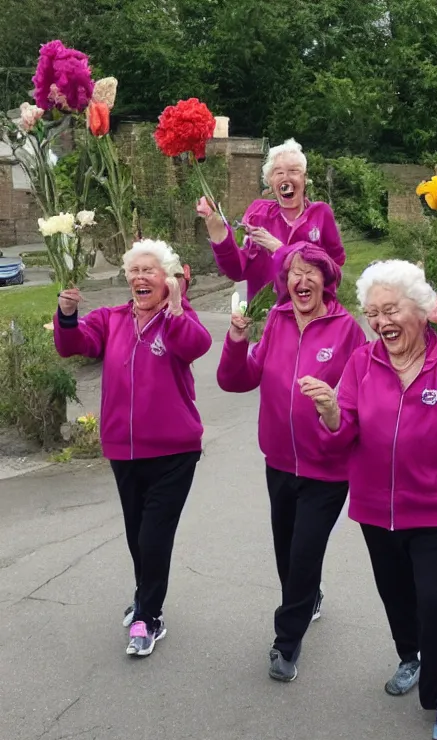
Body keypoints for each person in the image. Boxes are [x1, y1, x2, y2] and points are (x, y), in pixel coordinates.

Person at [309, 260, 437, 740]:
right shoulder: (360, 363)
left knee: (435, 603)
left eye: (390, 309)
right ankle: (410, 655)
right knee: (398, 597)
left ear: (420, 310)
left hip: (435, 507)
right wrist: (330, 413)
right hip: (375, 508)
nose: (381, 321)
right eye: (372, 313)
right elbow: (342, 434)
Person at [216, 242, 367, 683]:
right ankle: (307, 596)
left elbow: (362, 392)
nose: (301, 280)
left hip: (327, 467)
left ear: (326, 279)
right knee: (287, 554)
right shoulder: (277, 321)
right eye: (293, 273)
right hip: (279, 462)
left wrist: (335, 409)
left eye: (310, 272)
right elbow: (236, 380)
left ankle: (287, 644)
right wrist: (237, 339)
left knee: (303, 555)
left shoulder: (347, 329)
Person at [53, 240, 212, 657]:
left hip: (174, 452)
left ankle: (149, 617)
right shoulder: (112, 319)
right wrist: (67, 315)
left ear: (168, 280)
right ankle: (145, 598)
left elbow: (196, 346)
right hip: (123, 451)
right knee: (137, 534)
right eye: (134, 271)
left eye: (150, 271)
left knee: (155, 536)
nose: (140, 278)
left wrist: (177, 308)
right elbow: (73, 345)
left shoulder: (180, 318)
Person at [197, 138, 346, 300]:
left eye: (294, 171)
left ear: (305, 178)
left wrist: (280, 250)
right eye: (279, 173)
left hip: (312, 317)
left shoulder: (321, 213)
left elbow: (334, 270)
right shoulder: (258, 214)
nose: (286, 178)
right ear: (270, 182)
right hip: (267, 319)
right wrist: (219, 233)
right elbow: (237, 270)